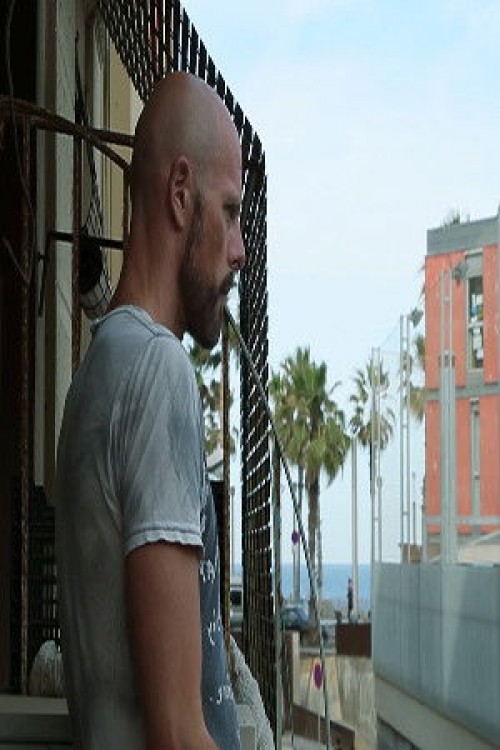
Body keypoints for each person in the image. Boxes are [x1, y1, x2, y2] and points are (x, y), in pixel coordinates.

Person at [55, 72, 245, 750]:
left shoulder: (95, 374)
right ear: (180, 192)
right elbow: (176, 735)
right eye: (230, 212)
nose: (239, 251)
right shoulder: (157, 372)